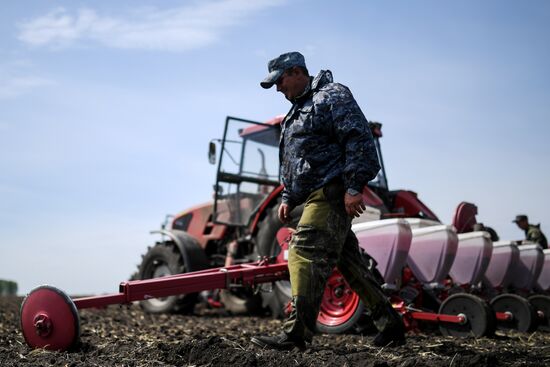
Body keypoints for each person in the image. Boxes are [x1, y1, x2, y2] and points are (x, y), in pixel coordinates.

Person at [251, 52, 405, 350]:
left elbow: (358, 139)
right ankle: (391, 326)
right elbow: (297, 161)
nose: (279, 89)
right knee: (351, 266)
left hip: (330, 192)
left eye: (280, 81)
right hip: (311, 195)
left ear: (297, 72)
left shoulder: (331, 96)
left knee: (303, 252)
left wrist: (353, 186)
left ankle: (296, 335)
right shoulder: (297, 110)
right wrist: (288, 196)